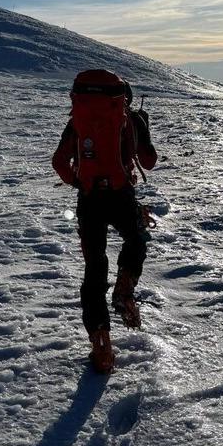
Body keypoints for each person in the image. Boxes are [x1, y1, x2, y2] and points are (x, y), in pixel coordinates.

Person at [52, 69, 157, 372]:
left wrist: (80, 182)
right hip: (121, 194)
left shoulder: (78, 121)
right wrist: (142, 128)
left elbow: (59, 161)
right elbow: (149, 160)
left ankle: (101, 343)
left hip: (89, 200)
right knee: (136, 239)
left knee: (94, 267)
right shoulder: (131, 119)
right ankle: (125, 286)